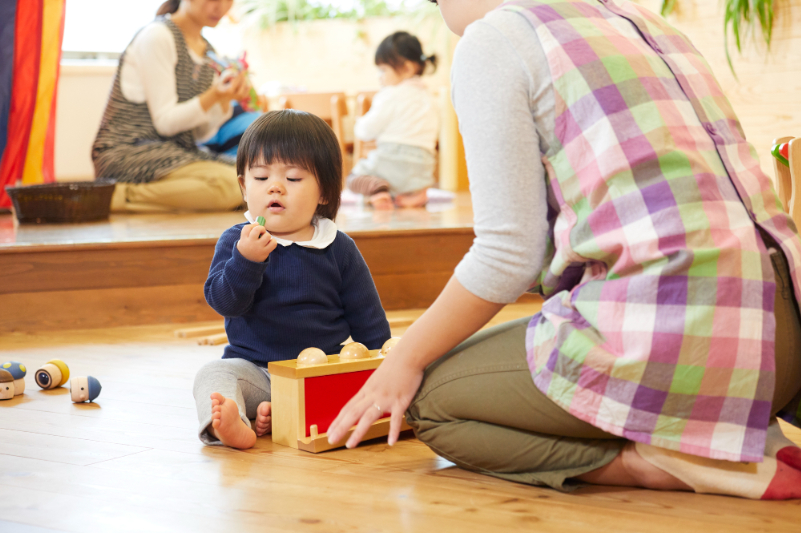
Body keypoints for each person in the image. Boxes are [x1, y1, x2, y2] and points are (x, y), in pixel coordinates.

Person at [327, 0, 801, 499]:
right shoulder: (643, 20)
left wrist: (402, 362)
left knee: (433, 402)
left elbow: (508, 255)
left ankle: (657, 461)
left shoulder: (496, 39)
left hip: (692, 341)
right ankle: (733, 434)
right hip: (784, 333)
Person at [194, 110, 392, 449]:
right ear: (244, 186)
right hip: (256, 372)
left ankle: (279, 416)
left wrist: (382, 371)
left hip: (319, 376)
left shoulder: (337, 247)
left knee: (356, 382)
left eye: (294, 178)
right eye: (259, 177)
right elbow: (224, 302)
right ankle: (232, 425)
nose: (274, 186)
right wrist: (246, 261)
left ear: (325, 193)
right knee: (213, 374)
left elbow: (369, 322)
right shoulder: (237, 241)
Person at [92, 0, 250, 212]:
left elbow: (202, 133)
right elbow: (165, 123)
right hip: (128, 151)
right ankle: (117, 196)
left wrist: (223, 99)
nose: (220, 7)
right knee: (232, 186)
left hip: (174, 153)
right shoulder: (157, 36)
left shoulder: (208, 52)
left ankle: (160, 197)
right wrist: (213, 96)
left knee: (250, 181)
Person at [347, 31, 439, 210]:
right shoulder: (430, 98)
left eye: (383, 70)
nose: (379, 76)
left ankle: (379, 192)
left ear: (407, 68)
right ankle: (417, 193)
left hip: (392, 159)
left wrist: (359, 122)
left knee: (353, 178)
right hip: (423, 169)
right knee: (405, 181)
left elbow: (365, 132)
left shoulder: (390, 94)